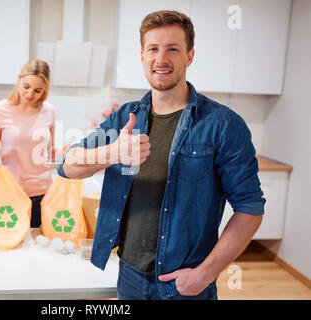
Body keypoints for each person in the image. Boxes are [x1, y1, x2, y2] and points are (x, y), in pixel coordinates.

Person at [57, 10, 265, 300]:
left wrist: (205, 274)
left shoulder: (223, 125)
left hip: (185, 284)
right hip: (128, 276)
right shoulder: (124, 118)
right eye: (153, 49)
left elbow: (250, 208)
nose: (161, 59)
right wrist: (113, 151)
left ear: (189, 56)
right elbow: (66, 166)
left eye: (173, 49)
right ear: (142, 56)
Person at [0, 59, 67, 228]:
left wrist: (68, 150)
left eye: (37, 90)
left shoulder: (49, 111)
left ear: (45, 89)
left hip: (42, 193)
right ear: (19, 79)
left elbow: (48, 153)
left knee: (39, 246)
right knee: (9, 246)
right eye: (26, 86)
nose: (30, 94)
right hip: (11, 192)